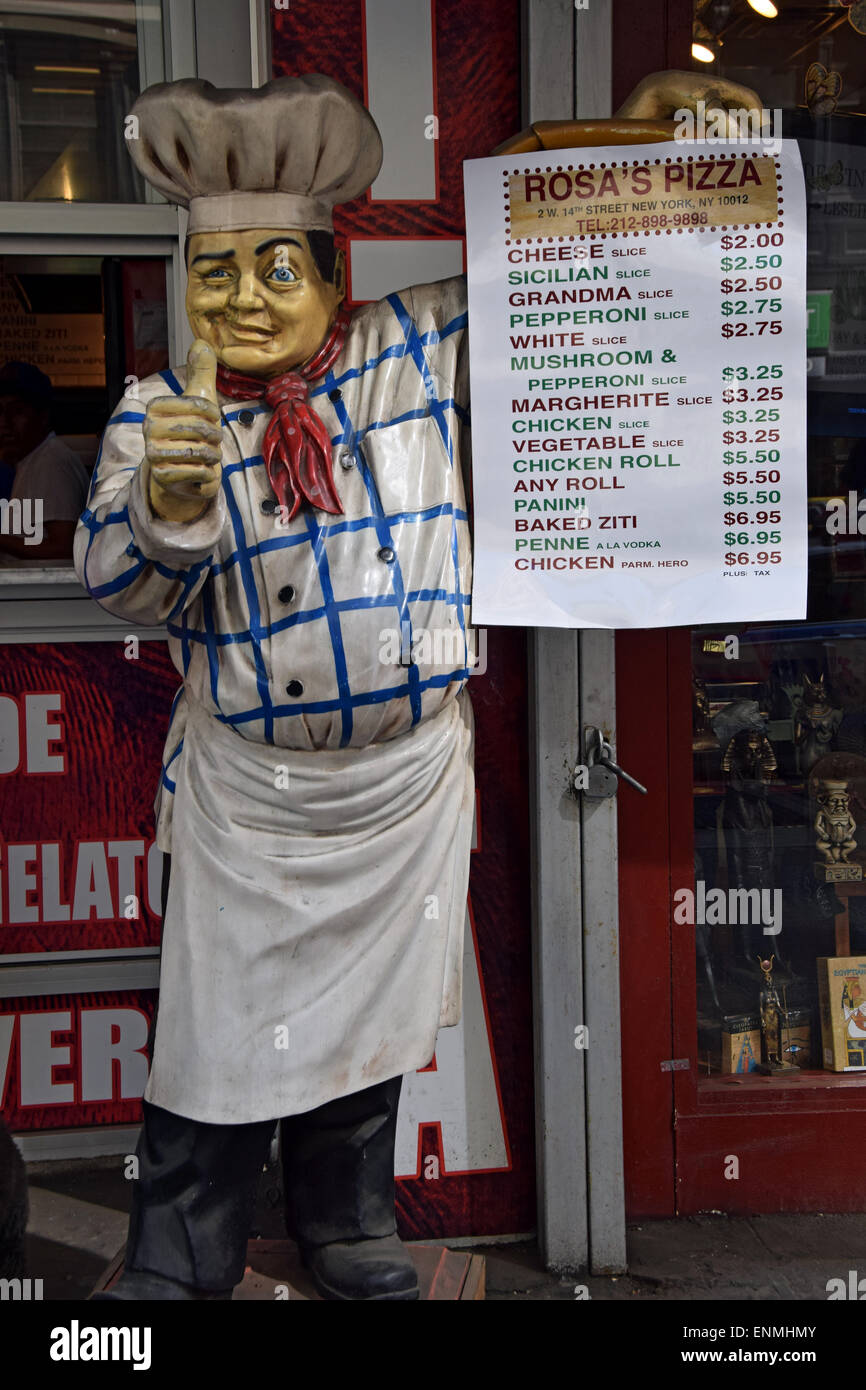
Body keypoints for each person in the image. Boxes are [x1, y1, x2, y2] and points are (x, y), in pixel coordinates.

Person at [77, 69, 763, 1301]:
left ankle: (347, 1228)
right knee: (211, 1041)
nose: (242, 299)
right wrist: (169, 507)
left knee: (366, 1038)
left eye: (274, 268)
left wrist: (646, 140)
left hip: (400, 794)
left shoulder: (415, 348)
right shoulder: (160, 414)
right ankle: (182, 1251)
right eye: (215, 272)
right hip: (252, 802)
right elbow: (118, 584)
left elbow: (563, 262)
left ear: (334, 278)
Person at [0, 361, 89, 563]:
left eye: (17, 411)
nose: (4, 422)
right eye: (0, 411)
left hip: (47, 592)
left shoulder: (52, 461)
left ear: (42, 416)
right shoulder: (29, 461)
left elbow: (64, 547)